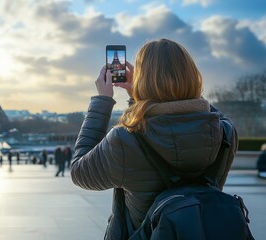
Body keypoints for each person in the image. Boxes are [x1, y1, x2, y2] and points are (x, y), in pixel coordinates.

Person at [70, 39, 238, 239]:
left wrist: (103, 101)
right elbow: (203, 111)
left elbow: (79, 171)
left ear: (143, 79)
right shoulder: (226, 132)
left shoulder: (125, 140)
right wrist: (143, 97)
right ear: (193, 75)